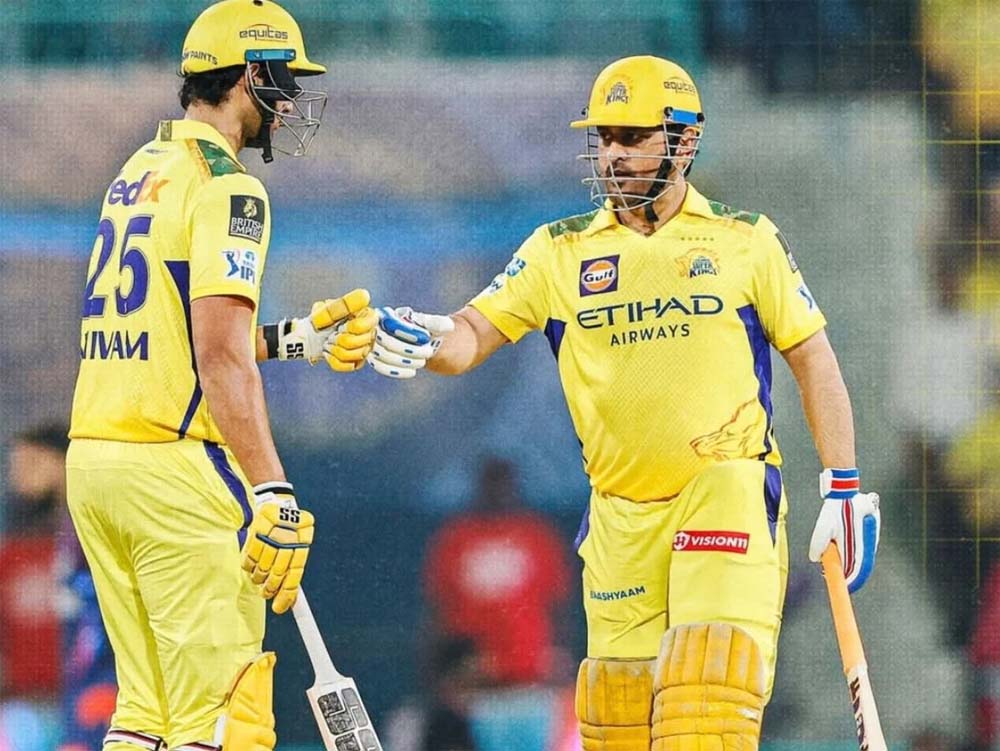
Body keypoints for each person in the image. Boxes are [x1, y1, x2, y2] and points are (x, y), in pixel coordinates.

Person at [368, 55, 882, 748]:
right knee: (619, 728)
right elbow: (468, 338)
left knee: (702, 709)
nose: (612, 154)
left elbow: (813, 356)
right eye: (604, 137)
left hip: (722, 491)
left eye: (632, 137)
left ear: (684, 140)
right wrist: (419, 333)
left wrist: (843, 486)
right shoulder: (557, 251)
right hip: (619, 522)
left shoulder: (745, 240)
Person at [66, 2, 377, 749]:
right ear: (248, 76)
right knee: (225, 719)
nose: (291, 101)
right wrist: (272, 490)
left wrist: (297, 339)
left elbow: (176, 336)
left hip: (97, 468)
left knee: (144, 719)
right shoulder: (229, 188)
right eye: (284, 81)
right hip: (175, 477)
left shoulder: (139, 170)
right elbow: (219, 357)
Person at [423, 457, 570, 687]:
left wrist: (558, 658)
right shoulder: (455, 538)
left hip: (530, 673)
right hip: (471, 676)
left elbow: (558, 607)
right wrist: (437, 674)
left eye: (503, 483)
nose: (498, 492)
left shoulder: (538, 536)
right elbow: (437, 610)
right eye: (492, 483)